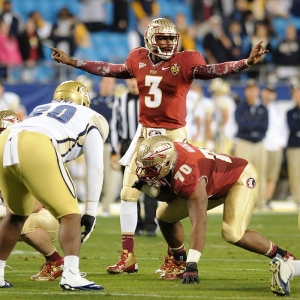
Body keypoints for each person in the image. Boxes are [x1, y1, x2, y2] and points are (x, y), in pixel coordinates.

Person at [50, 17, 268, 274]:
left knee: (175, 198)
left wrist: (245, 63)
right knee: (127, 193)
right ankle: (128, 257)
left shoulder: (186, 60)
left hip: (173, 138)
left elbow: (212, 70)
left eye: (171, 38)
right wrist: (73, 62)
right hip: (144, 135)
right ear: (149, 39)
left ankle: (175, 256)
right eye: (162, 38)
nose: (167, 43)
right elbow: (108, 68)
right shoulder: (138, 58)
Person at [133, 135, 295, 286]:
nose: (146, 171)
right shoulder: (172, 155)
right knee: (164, 215)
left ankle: (284, 256)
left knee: (232, 233)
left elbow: (199, 222)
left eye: (151, 167)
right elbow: (170, 196)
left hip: (238, 178)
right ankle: (178, 261)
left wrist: (193, 264)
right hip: (212, 183)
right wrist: (151, 191)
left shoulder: (189, 173)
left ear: (167, 163)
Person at [0, 80, 109, 291]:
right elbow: (95, 165)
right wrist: (91, 211)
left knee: (16, 215)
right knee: (70, 214)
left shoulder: (41, 109)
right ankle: (71, 274)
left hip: (5, 140)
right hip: (37, 143)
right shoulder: (92, 116)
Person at [0, 109, 63, 282]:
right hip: (14, 211)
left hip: (47, 214)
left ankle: (56, 260)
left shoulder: (29, 154)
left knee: (22, 222)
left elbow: (35, 205)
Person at [110, 78, 158, 236]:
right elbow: (114, 126)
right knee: (130, 186)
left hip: (148, 145)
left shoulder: (149, 99)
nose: (132, 83)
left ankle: (151, 225)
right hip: (127, 145)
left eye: (135, 79)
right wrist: (113, 150)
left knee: (149, 185)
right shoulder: (120, 100)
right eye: (130, 79)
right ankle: (135, 226)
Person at [234, 79, 268, 210]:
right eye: (249, 90)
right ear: (245, 91)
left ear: (258, 91)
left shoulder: (263, 109)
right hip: (244, 142)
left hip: (259, 143)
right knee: (243, 173)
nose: (252, 92)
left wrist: (251, 126)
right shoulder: (240, 108)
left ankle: (260, 202)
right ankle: (243, 201)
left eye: (254, 90)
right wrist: (255, 126)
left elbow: (265, 127)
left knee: (260, 173)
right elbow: (241, 125)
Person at [90, 77, 121, 217]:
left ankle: (106, 207)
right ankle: (92, 206)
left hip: (110, 144)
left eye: (111, 83)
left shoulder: (118, 103)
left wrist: (118, 144)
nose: (108, 86)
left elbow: (121, 126)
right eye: (106, 82)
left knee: (111, 178)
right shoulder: (92, 102)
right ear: (100, 84)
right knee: (92, 175)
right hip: (92, 144)